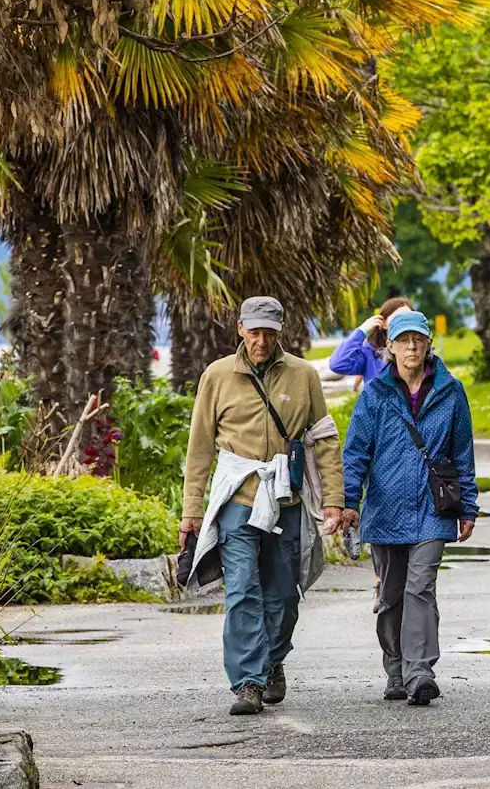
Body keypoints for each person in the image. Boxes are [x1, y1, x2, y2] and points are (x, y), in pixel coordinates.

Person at [180, 297, 344, 717]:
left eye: (269, 332)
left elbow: (324, 439)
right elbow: (199, 448)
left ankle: (272, 661)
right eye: (254, 331)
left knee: (284, 595)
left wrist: (335, 500)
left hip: (285, 496)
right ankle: (248, 682)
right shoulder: (217, 376)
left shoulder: (303, 375)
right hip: (237, 495)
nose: (261, 340)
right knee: (242, 591)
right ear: (240, 329)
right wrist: (191, 512)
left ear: (280, 331)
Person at [342, 310, 478, 707]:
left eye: (419, 339)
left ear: (429, 344)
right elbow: (355, 453)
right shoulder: (375, 393)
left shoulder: (451, 391)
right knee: (391, 594)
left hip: (433, 509)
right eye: (404, 341)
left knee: (421, 586)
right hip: (384, 510)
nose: (412, 347)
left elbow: (462, 452)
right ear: (391, 347)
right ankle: (396, 668)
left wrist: (468, 505)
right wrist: (350, 502)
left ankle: (421, 672)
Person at [328, 296, 414, 383]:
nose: (404, 321)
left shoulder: (420, 352)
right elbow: (337, 364)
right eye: (397, 317)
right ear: (383, 324)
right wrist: (361, 331)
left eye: (409, 317)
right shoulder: (370, 353)